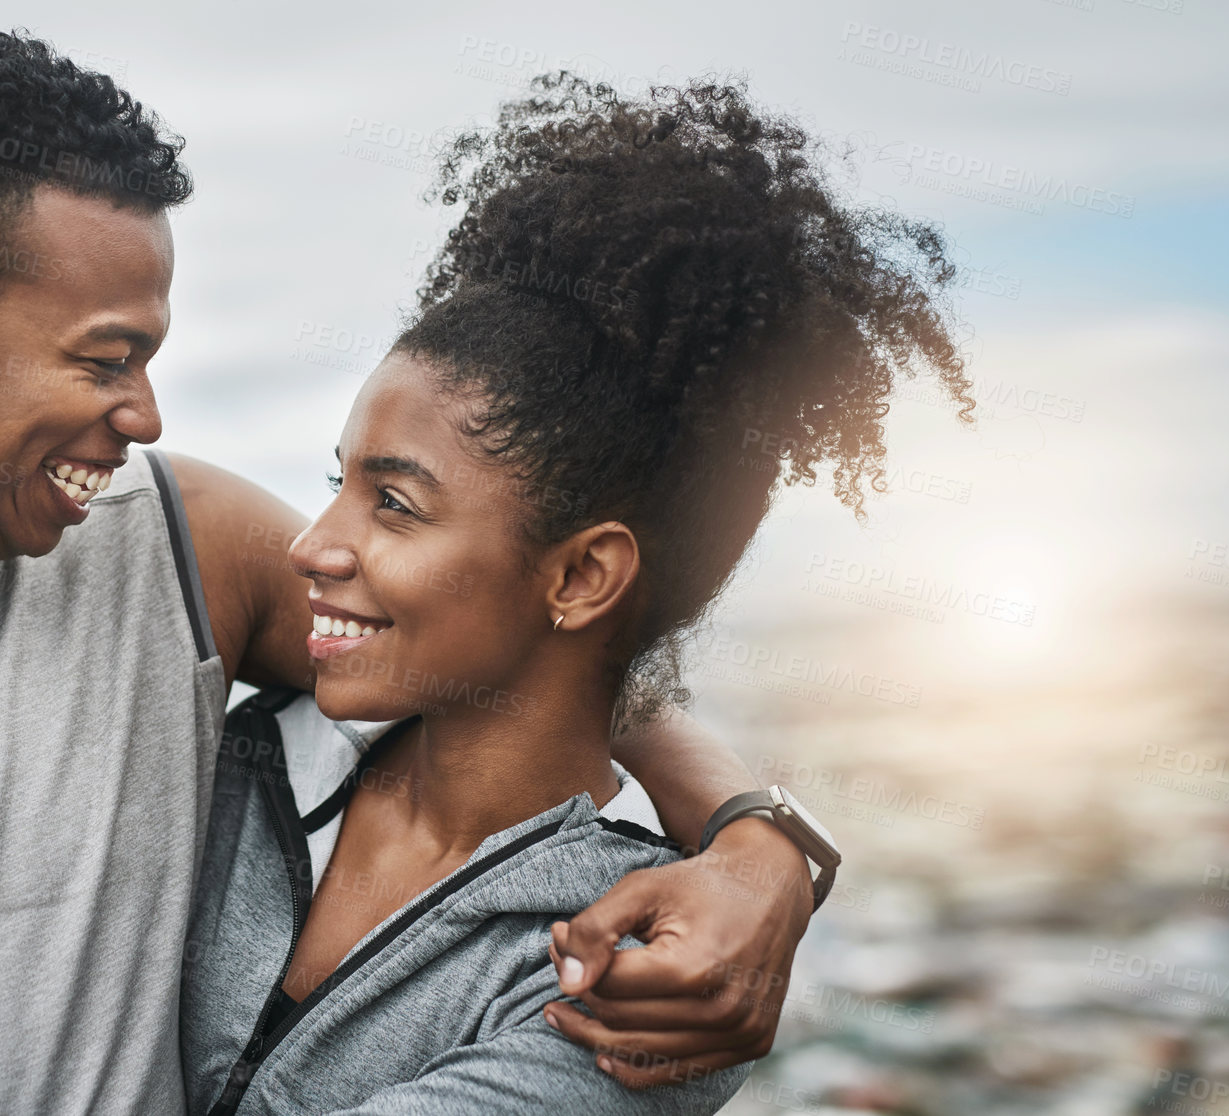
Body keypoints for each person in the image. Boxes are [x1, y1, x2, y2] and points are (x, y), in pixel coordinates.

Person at [0, 29, 819, 1115]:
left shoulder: (180, 550)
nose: (143, 416)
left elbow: (526, 655)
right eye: (100, 358)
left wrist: (758, 846)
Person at [179, 73, 972, 1114]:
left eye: (396, 505)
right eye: (339, 483)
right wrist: (762, 835)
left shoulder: (645, 982)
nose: (312, 546)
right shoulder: (222, 753)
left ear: (581, 576)